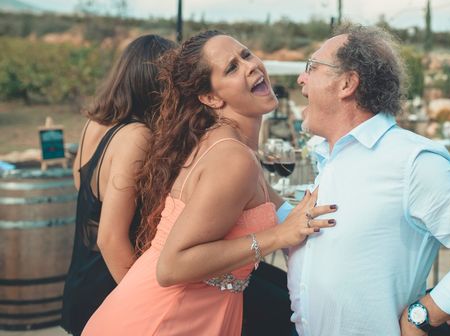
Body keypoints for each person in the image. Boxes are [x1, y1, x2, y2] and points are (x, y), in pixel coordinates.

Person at [82, 30, 336, 336]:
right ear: (211, 97)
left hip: (188, 314)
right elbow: (171, 266)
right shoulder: (233, 158)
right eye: (232, 68)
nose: (250, 66)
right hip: (164, 319)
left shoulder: (229, 147)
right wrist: (277, 237)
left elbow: (286, 214)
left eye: (245, 54)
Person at [287, 25, 450, 336]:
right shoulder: (329, 156)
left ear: (347, 83)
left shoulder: (412, 161)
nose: (301, 79)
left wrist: (423, 313)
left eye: (312, 67)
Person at [61, 34, 176, 335]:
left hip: (81, 278)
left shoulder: (95, 124)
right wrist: (146, 304)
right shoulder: (137, 135)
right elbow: (109, 239)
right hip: (110, 289)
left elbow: (82, 187)